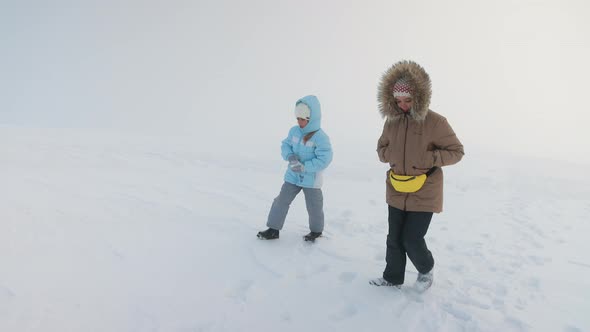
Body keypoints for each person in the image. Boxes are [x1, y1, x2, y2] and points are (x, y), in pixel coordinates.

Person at [370, 60, 464, 291]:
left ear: (419, 96)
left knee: (411, 239)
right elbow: (381, 149)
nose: (402, 105)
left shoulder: (436, 122)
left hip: (425, 191)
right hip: (396, 188)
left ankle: (425, 269)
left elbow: (456, 152)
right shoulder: (390, 121)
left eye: (408, 100)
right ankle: (392, 278)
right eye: (398, 100)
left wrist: (429, 159)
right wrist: (388, 154)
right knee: (393, 239)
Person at [257, 95, 333, 242]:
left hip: (311, 180)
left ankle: (316, 232)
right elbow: (285, 145)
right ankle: (273, 229)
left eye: (302, 119)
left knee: (314, 207)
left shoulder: (321, 137)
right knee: (281, 201)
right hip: (292, 176)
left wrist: (305, 167)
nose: (299, 122)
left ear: (312, 119)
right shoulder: (294, 131)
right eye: (297, 119)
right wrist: (290, 156)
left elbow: (324, 159)